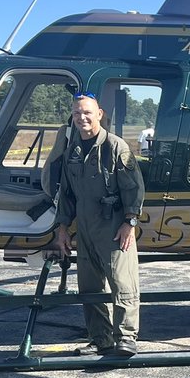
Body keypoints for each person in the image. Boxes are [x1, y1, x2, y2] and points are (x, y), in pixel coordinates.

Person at [53, 93, 146, 356]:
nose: (81, 118)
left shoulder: (116, 147)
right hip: (85, 229)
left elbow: (134, 189)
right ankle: (100, 338)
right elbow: (67, 195)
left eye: (87, 113)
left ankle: (126, 337)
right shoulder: (73, 152)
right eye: (76, 113)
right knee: (89, 286)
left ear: (100, 114)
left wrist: (129, 222)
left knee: (122, 282)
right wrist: (62, 228)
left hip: (114, 227)